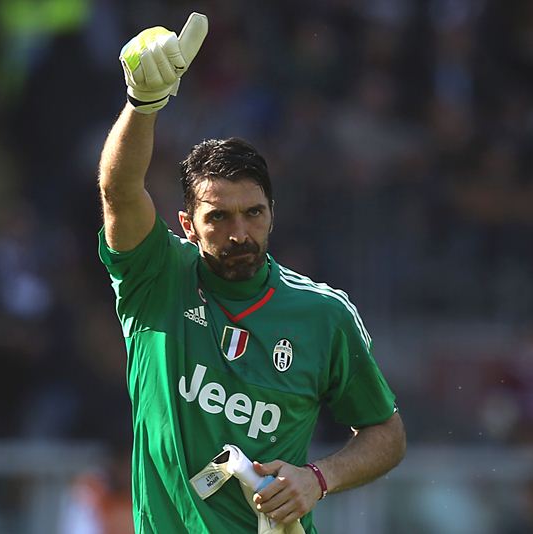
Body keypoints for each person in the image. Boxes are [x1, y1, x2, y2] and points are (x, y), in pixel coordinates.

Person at [97, 13, 406, 534]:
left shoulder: (322, 314)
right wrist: (142, 107)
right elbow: (120, 192)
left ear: (272, 214)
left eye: (253, 213)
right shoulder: (157, 279)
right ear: (187, 225)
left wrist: (318, 478)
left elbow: (387, 434)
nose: (239, 232)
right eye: (218, 216)